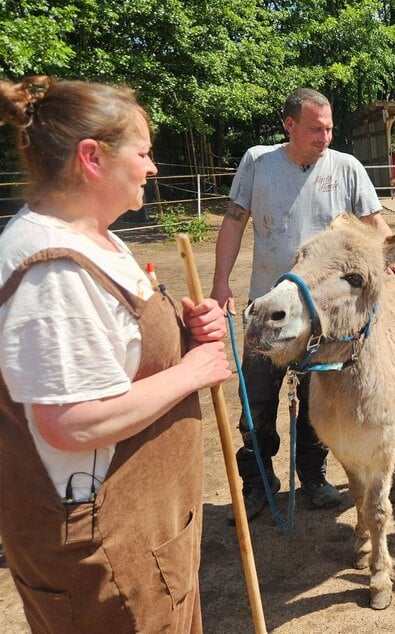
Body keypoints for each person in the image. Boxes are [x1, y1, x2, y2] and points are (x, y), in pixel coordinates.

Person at [0, 76, 231, 631]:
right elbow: (72, 423)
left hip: (145, 536)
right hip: (106, 551)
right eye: (144, 152)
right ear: (92, 158)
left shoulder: (97, 238)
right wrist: (193, 372)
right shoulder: (52, 269)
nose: (153, 167)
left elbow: (112, 349)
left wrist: (184, 331)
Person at [212, 88, 395, 521]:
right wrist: (220, 283)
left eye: (329, 128)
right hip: (270, 308)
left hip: (323, 316)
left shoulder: (346, 168)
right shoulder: (258, 162)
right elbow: (233, 223)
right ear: (290, 126)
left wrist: (394, 256)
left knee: (317, 404)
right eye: (315, 129)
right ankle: (258, 484)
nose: (325, 136)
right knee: (257, 403)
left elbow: (373, 221)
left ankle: (314, 477)